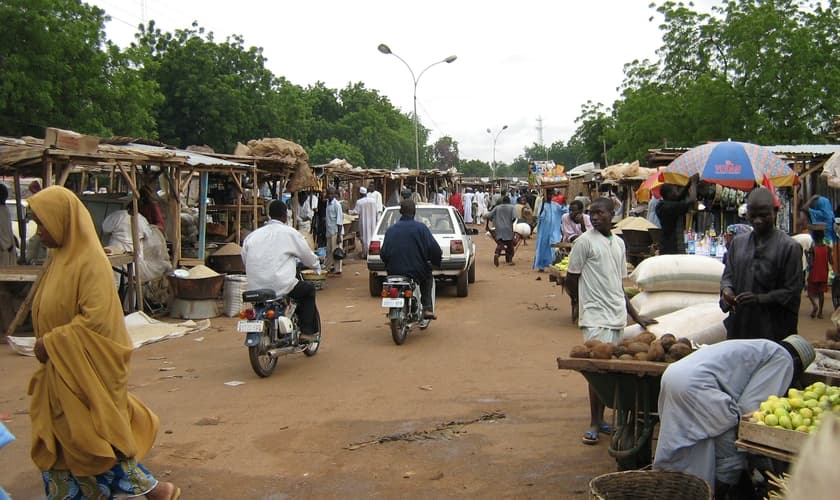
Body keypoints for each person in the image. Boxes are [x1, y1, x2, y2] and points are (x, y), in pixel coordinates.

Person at [26, 186, 179, 500]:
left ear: (62, 220)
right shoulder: (57, 261)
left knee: (92, 438)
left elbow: (97, 322)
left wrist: (52, 343)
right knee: (68, 442)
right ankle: (150, 491)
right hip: (60, 373)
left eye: (43, 223)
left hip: (85, 372)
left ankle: (151, 490)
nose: (39, 231)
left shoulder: (90, 262)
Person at [654, 335, 815, 496]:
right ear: (797, 362)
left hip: (672, 375)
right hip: (696, 386)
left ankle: (674, 488)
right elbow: (750, 409)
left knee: (681, 439)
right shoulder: (783, 358)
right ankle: (718, 488)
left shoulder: (761, 347)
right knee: (729, 443)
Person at [565, 197, 656, 445]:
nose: (594, 217)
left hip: (616, 316)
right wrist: (582, 302)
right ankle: (595, 422)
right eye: (591, 213)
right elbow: (571, 278)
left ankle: (607, 419)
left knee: (613, 371)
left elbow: (619, 285)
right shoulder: (584, 242)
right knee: (597, 370)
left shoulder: (619, 243)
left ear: (611, 214)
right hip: (594, 317)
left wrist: (637, 316)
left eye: (599, 213)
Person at [720, 188, 803, 342]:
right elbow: (728, 276)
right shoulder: (738, 243)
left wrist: (760, 299)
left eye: (764, 215)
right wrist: (727, 292)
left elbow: (792, 292)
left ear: (776, 211)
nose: (757, 220)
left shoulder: (789, 247)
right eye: (753, 215)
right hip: (740, 326)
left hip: (774, 329)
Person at [242, 200, 321, 341]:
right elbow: (307, 255)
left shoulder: (252, 236)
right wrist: (316, 266)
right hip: (280, 285)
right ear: (285, 216)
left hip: (255, 286)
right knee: (308, 290)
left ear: (269, 215)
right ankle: (307, 332)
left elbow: (245, 259)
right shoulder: (290, 233)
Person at [380, 199, 442, 320]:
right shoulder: (421, 229)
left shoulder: (391, 230)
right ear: (414, 212)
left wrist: (388, 264)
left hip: (393, 270)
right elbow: (434, 249)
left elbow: (383, 253)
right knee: (428, 277)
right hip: (416, 270)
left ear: (400, 212)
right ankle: (427, 308)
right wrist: (436, 262)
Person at [655, 174, 699, 254]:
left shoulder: (663, 204)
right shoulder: (669, 207)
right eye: (676, 190)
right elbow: (692, 200)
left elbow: (679, 196)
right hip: (672, 246)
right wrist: (694, 183)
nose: (678, 191)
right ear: (670, 194)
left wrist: (689, 182)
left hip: (668, 244)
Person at [533, 193, 566, 271]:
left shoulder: (555, 205)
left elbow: (564, 210)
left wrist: (564, 202)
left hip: (554, 230)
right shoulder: (542, 204)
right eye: (548, 194)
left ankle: (555, 264)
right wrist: (543, 204)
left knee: (555, 247)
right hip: (544, 230)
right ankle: (541, 265)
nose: (549, 196)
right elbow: (540, 216)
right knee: (542, 247)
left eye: (550, 194)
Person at [484, 195, 517, 266]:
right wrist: (511, 223)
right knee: (509, 244)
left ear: (502, 201)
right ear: (509, 201)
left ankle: (497, 254)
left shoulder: (497, 208)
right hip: (508, 228)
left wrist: (488, 224)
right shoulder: (512, 207)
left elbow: (489, 216)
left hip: (498, 228)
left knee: (500, 242)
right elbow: (514, 217)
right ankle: (509, 260)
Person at [806, 225, 830, 319]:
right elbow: (831, 261)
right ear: (823, 237)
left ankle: (814, 306)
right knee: (821, 294)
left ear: (814, 238)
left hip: (814, 273)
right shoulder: (827, 248)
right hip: (824, 273)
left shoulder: (813, 249)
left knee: (810, 291)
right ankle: (820, 312)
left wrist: (806, 255)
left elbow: (811, 264)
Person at [351, 186, 378, 259]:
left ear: (360, 194)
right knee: (372, 237)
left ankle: (365, 253)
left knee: (365, 237)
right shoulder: (373, 201)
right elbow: (376, 211)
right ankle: (372, 252)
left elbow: (355, 212)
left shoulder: (359, 202)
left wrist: (349, 211)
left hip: (364, 222)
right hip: (372, 222)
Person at [323, 187, 343, 275]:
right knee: (329, 250)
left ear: (335, 194)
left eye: (332, 194)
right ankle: (328, 267)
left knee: (336, 251)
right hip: (329, 230)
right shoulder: (328, 203)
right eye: (329, 194)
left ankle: (338, 269)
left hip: (335, 231)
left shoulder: (337, 205)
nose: (330, 195)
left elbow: (339, 221)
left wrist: (339, 235)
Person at [0, 184, 16, 265]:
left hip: (6, 248)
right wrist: (7, 245)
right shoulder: (3, 210)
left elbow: (7, 229)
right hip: (5, 248)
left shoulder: (4, 209)